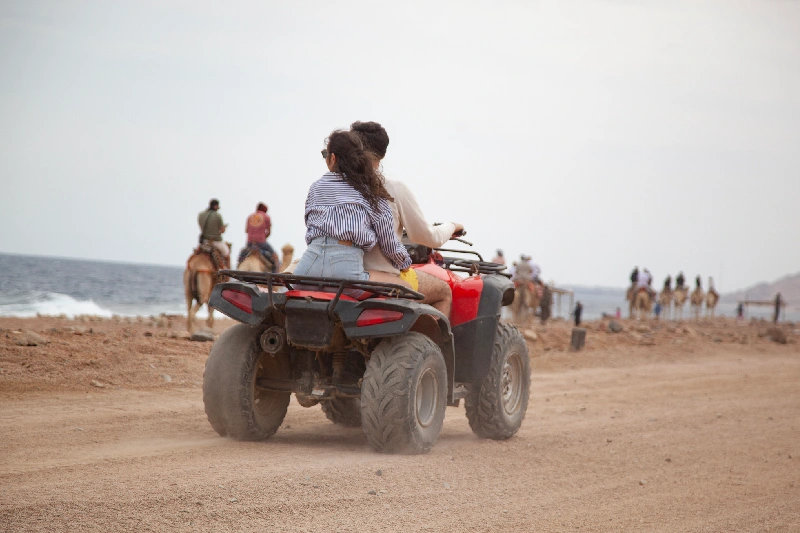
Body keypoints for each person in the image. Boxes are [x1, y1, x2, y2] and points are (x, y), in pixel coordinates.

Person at [354, 121, 464, 316]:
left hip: (340, 273)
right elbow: (429, 237)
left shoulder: (335, 187)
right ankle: (432, 346)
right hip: (382, 277)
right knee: (443, 292)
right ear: (382, 155)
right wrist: (452, 225)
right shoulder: (393, 188)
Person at [294, 129, 411, 289]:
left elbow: (309, 224)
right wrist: (404, 262)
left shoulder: (316, 187)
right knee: (406, 288)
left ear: (332, 158)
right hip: (345, 270)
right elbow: (388, 242)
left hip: (307, 267)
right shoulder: (371, 191)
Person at [238, 202, 277, 270]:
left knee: (240, 258)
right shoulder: (266, 217)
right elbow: (268, 232)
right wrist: (262, 236)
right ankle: (276, 277)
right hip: (261, 243)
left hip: (250, 243)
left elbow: (246, 230)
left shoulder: (250, 217)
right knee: (275, 257)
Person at [198, 199, 229, 266]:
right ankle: (228, 274)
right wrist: (224, 228)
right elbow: (222, 230)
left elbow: (201, 227)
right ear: (215, 206)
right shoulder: (218, 215)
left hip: (204, 241)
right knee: (227, 254)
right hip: (216, 241)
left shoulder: (201, 215)